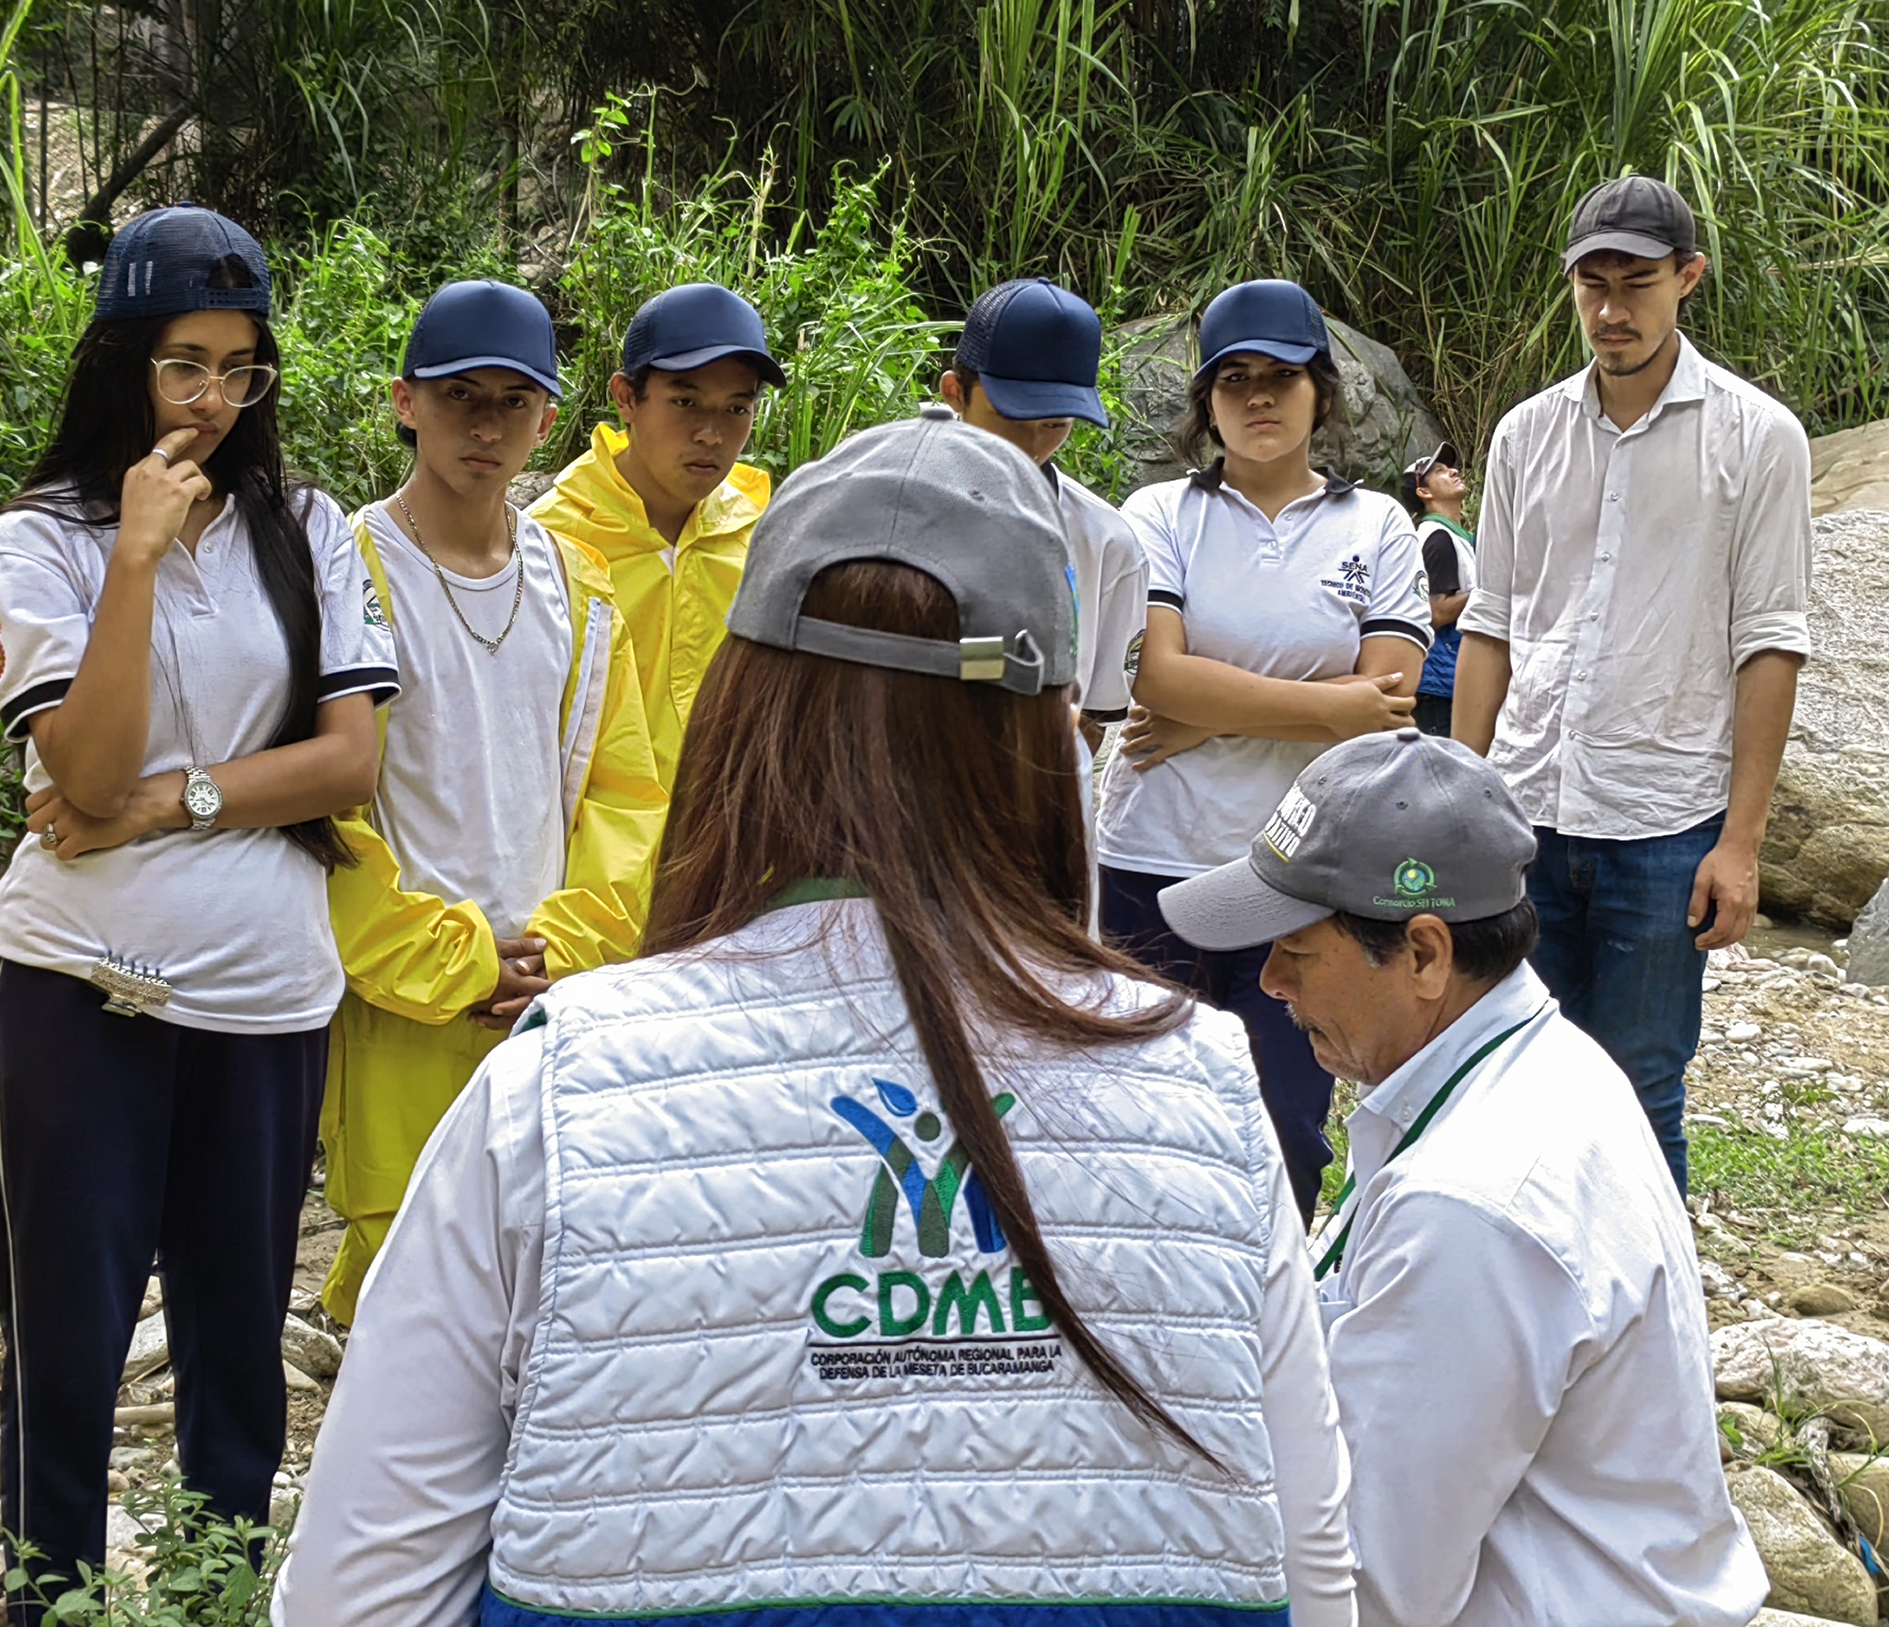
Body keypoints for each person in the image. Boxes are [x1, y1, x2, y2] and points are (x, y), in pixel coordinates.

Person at [274, 406, 1356, 1627]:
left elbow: (354, 1594)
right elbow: (1314, 1574)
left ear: (738, 712)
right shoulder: (1202, 1087)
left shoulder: (558, 1092)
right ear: (1050, 737)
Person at [0, 206, 395, 1607]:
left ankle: (222, 1596)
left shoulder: (309, 527)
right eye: (184, 366)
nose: (216, 402)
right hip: (75, 990)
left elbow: (350, 760)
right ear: (122, 363)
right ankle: (46, 1595)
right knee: (69, 1332)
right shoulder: (40, 540)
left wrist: (169, 802)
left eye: (241, 369)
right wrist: (138, 555)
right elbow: (82, 762)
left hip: (265, 994)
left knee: (236, 1346)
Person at [1156, 729, 1768, 1627]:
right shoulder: (1546, 1063)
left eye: (1297, 948)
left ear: (1426, 953)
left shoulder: (1469, 1205)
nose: (1272, 981)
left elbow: (1370, 1588)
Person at [1452, 175, 1812, 1194]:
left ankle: (1643, 1329)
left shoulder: (1756, 438)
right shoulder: (1525, 435)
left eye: (1637, 284)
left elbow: (1770, 644)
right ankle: (1522, 1301)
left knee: (1641, 1081)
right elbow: (1491, 626)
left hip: (1663, 824)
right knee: (1507, 1069)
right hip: (1524, 810)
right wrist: (1457, 794)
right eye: (1591, 284)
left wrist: (1739, 843)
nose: (1612, 310)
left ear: (1687, 279)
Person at [319, 280, 667, 1325]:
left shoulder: (579, 582)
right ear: (403, 402)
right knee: (404, 1288)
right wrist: (442, 957)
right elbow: (327, 806)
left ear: (548, 419)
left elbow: (626, 791)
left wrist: (570, 946)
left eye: (513, 401)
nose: (485, 423)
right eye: (458, 394)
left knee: (541, 1280)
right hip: (403, 998)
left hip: (544, 1001)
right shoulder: (343, 567)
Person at [1094, 278, 1431, 1220]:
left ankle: (1272, 1334)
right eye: (1233, 379)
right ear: (1205, 403)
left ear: (1322, 392)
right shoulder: (1159, 513)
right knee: (1140, 1111)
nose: (1258, 397)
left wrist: (1209, 714)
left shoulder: (1379, 526)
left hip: (1302, 871)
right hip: (1151, 857)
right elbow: (1154, 679)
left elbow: (1391, 702)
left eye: (1281, 376)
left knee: (1285, 1120)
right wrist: (1328, 707)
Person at [528, 282, 779, 790]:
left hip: (727, 854)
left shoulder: (764, 540)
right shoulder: (549, 543)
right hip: (588, 863)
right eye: (685, 401)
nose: (711, 433)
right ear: (626, 398)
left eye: (736, 409)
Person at [936, 276, 1147, 754]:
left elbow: (1093, 715)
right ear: (954, 392)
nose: (1030, 445)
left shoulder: (1106, 543)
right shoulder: (884, 504)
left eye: (1054, 423)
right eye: (1008, 416)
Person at [1399, 441, 1474, 738]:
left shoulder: (1452, 536)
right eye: (1440, 471)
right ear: (1424, 492)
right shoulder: (1437, 537)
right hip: (1438, 684)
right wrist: (1492, 590)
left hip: (1446, 681)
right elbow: (1437, 610)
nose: (1453, 472)